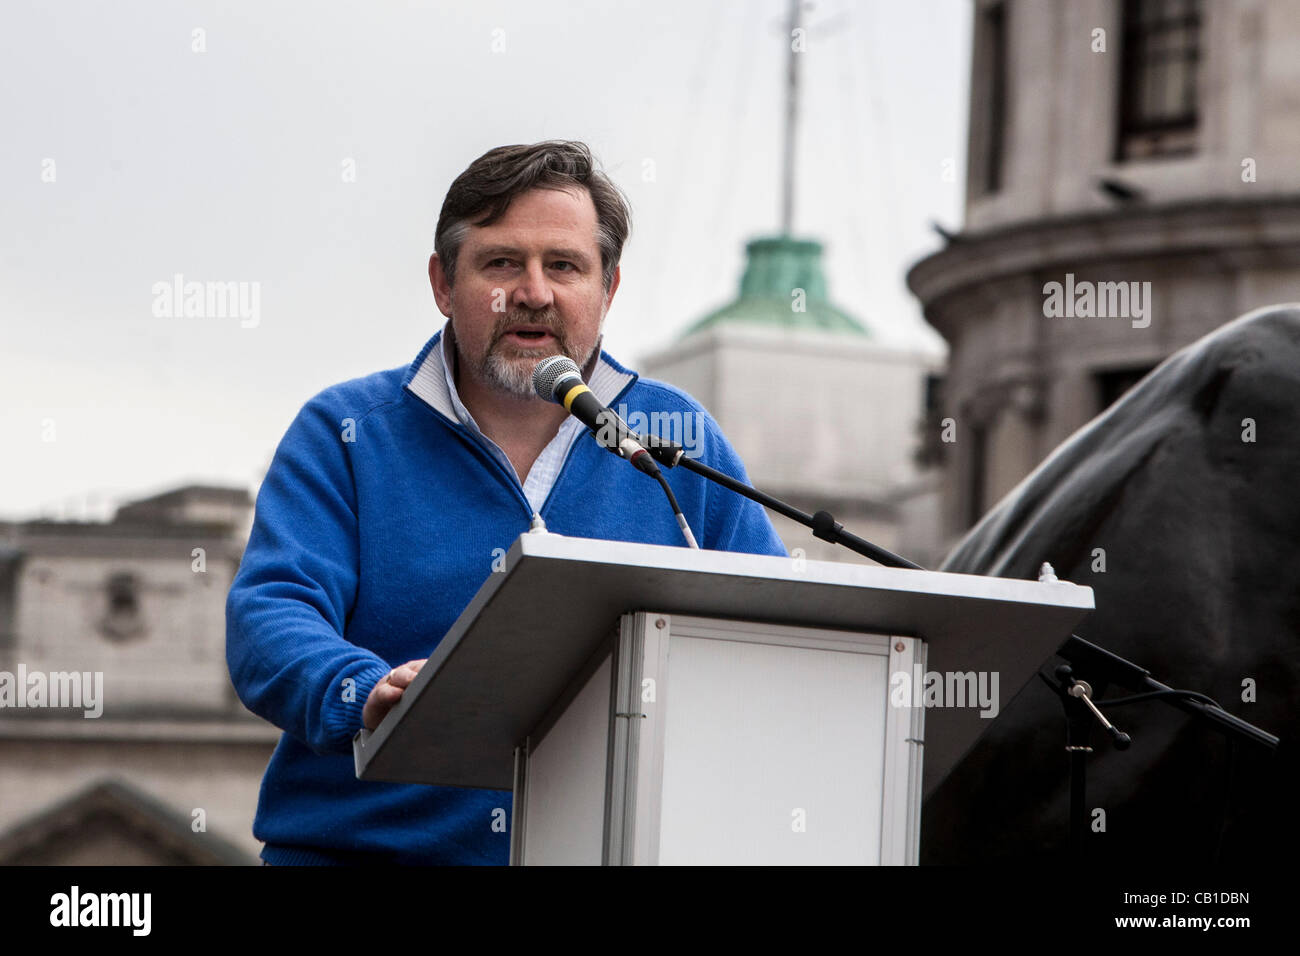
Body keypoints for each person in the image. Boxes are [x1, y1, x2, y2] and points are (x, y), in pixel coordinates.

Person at [226, 140, 788, 865]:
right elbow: (270, 617)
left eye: (564, 266)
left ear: (608, 289)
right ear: (442, 283)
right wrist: (362, 692)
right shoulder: (345, 431)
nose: (534, 292)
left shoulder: (678, 442)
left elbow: (777, 634)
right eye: (501, 263)